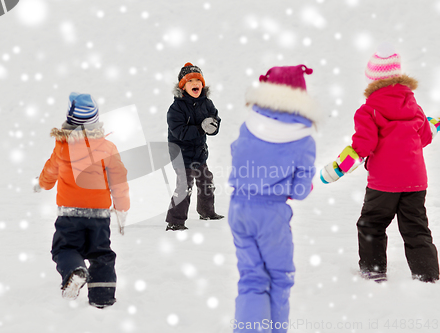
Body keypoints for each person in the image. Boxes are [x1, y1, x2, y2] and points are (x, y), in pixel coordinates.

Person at [321, 42, 440, 283]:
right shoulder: (413, 106)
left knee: (371, 225)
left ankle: (374, 272)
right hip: (415, 182)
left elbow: (363, 146)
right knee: (416, 229)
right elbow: (425, 136)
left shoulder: (369, 110)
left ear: (373, 81)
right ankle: (428, 275)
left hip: (384, 183)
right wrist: (432, 124)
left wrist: (338, 168)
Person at [228, 65, 319, 332]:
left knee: (251, 278)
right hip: (271, 215)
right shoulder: (302, 139)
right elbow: (301, 190)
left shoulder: (250, 124)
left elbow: (238, 155)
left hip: (239, 208)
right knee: (280, 278)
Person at [34, 92, 130, 307]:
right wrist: (122, 206)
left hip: (70, 213)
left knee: (65, 248)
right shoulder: (108, 148)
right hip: (99, 214)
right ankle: (102, 297)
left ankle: (74, 271)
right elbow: (119, 179)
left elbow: (50, 170)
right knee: (101, 253)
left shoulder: (62, 146)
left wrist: (43, 183)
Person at [165, 62, 224, 231]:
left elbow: (215, 120)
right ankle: (175, 221)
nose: (195, 83)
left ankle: (207, 212)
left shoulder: (207, 103)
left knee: (206, 181)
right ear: (183, 86)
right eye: (190, 81)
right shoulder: (176, 108)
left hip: (199, 153)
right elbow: (179, 132)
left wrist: (213, 126)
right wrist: (200, 128)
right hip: (181, 155)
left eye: (198, 80)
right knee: (184, 186)